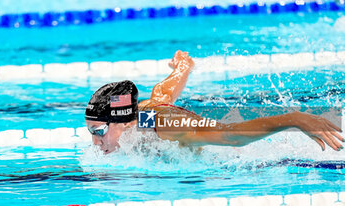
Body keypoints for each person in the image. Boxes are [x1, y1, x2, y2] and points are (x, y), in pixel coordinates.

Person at [85, 50, 344, 154]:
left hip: (227, 157)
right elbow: (162, 95)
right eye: (92, 133)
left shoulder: (167, 126)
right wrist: (182, 68)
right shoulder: (138, 118)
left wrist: (295, 119)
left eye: (98, 132)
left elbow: (231, 137)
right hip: (158, 113)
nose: (95, 143)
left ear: (122, 122)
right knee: (159, 99)